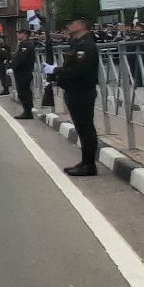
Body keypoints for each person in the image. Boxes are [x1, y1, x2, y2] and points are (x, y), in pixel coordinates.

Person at [53, 17, 101, 176]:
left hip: (82, 91)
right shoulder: (77, 43)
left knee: (85, 128)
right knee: (82, 128)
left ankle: (89, 165)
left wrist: (57, 71)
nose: (68, 26)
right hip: (75, 90)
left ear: (81, 25)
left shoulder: (86, 45)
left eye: (71, 23)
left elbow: (80, 70)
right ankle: (85, 161)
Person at [12, 30, 37, 119]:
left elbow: (21, 60)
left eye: (19, 33)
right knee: (22, 92)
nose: (17, 35)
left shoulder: (26, 45)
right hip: (21, 72)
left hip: (24, 72)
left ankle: (27, 112)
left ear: (25, 34)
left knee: (24, 92)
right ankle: (26, 111)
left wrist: (14, 64)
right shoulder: (23, 44)